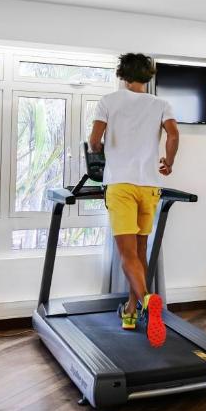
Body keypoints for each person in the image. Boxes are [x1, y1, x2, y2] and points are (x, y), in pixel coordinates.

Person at [89, 53, 179, 345]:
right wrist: (168, 162)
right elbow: (173, 135)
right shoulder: (161, 104)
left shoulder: (109, 101)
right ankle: (131, 309)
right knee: (140, 253)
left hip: (121, 185)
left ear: (122, 75)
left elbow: (94, 142)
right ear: (148, 76)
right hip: (149, 187)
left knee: (128, 256)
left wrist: (101, 149)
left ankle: (146, 301)